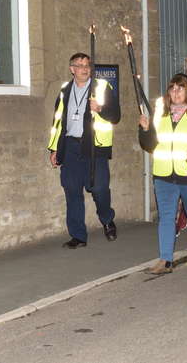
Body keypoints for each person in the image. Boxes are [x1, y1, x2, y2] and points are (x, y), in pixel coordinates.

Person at [48, 53, 120, 248]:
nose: (84, 68)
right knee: (72, 190)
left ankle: (106, 219)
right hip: (70, 146)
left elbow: (116, 115)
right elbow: (57, 122)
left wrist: (100, 108)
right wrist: (54, 149)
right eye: (79, 65)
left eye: (87, 65)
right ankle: (78, 236)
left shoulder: (102, 87)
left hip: (94, 146)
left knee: (99, 188)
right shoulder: (64, 90)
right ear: (72, 69)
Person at [139, 73, 187, 275]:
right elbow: (149, 145)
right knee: (166, 217)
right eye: (173, 88)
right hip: (163, 175)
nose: (176, 92)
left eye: (181, 88)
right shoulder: (160, 115)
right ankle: (165, 260)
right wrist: (145, 129)